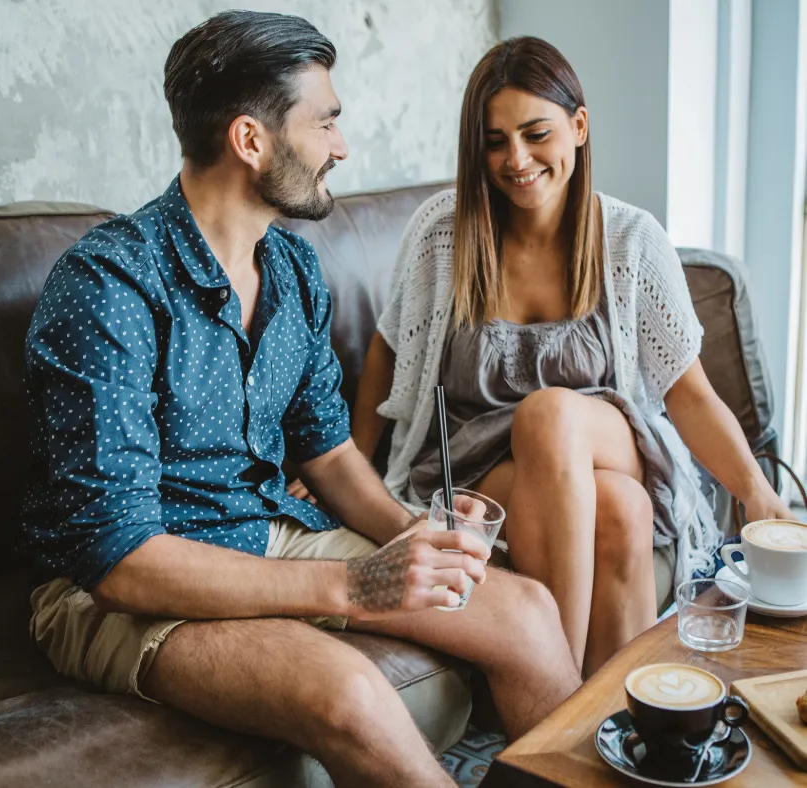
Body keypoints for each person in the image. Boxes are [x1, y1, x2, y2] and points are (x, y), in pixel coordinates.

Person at [21, 13, 581, 788]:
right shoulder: (109, 285)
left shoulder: (291, 269)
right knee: (352, 692)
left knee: (526, 612)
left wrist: (417, 536)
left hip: (265, 532)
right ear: (251, 140)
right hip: (124, 586)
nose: (340, 147)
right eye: (325, 122)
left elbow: (327, 452)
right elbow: (119, 561)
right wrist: (355, 585)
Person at [335, 37, 795, 678]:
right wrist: (353, 464)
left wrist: (756, 492)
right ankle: (609, 710)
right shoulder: (445, 231)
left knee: (550, 415)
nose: (516, 159)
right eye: (495, 142)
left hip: (608, 438)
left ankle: (550, 688)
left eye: (536, 133)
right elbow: (391, 345)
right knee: (621, 509)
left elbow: (687, 392)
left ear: (579, 127)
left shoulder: (632, 240)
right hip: (480, 460)